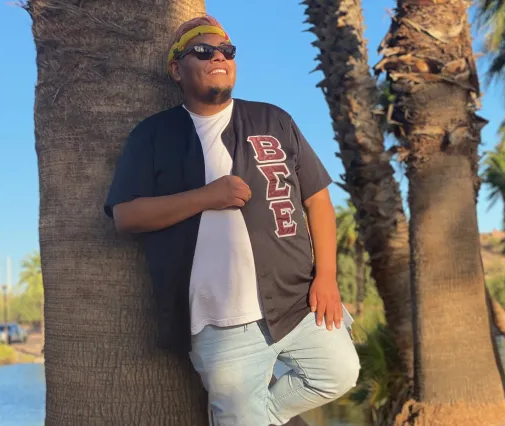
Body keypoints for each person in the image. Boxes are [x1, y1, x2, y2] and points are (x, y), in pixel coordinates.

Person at [104, 15, 360, 426]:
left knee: (340, 373)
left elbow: (317, 200)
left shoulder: (274, 120)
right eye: (203, 51)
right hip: (219, 321)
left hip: (299, 302)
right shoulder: (153, 135)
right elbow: (125, 216)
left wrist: (327, 277)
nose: (219, 57)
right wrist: (208, 197)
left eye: (227, 51)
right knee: (241, 416)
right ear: (176, 68)